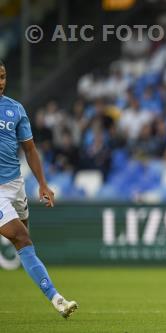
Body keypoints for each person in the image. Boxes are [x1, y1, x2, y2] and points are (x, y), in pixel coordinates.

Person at [0, 60, 78, 318]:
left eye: (3, 76)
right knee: (21, 237)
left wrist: (43, 184)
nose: (0, 82)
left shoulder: (15, 109)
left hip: (15, 184)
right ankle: (57, 299)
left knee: (25, 243)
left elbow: (30, 149)